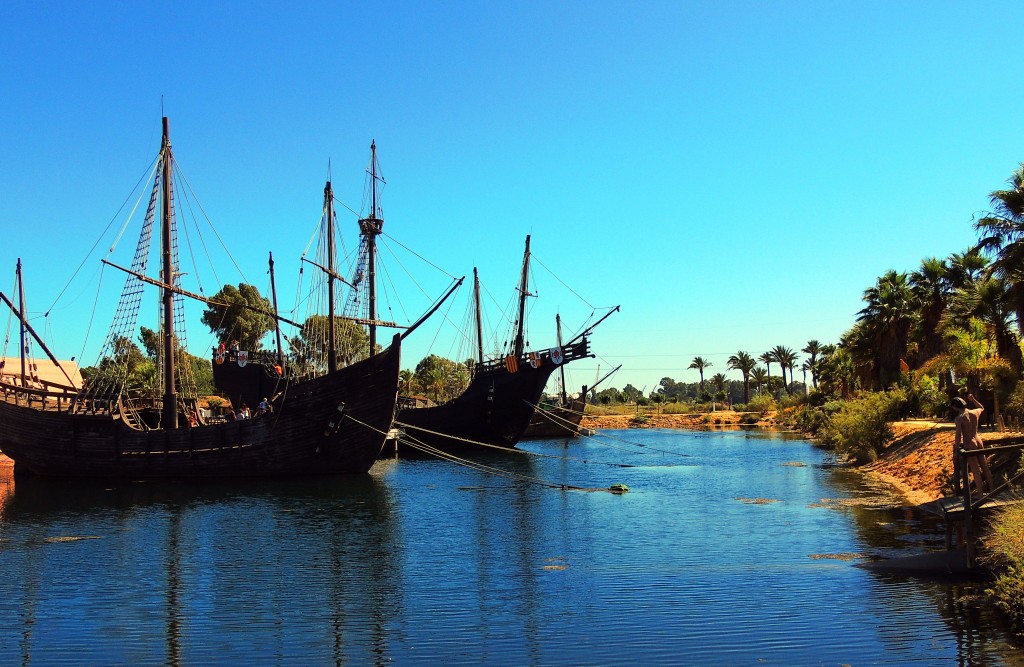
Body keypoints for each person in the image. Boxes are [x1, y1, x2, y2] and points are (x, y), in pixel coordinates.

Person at [953, 393, 994, 494]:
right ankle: (993, 490)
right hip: (978, 441)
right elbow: (981, 407)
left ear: (955, 407)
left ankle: (980, 495)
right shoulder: (974, 412)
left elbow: (958, 436)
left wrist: (956, 451)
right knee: (985, 466)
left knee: (975, 470)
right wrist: (973, 399)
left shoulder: (959, 418)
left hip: (969, 443)